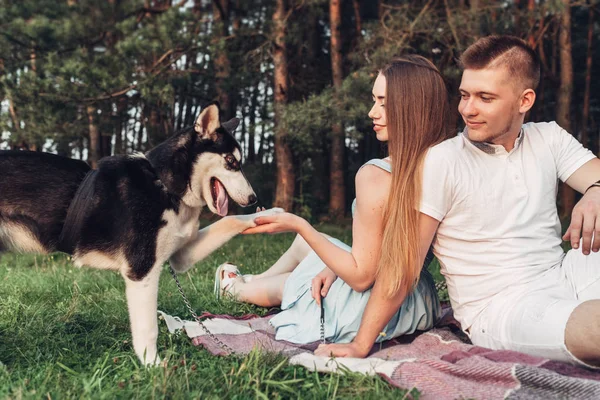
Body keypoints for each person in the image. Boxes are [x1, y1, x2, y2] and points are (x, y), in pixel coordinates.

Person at [316, 36, 600, 368]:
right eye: (465, 95)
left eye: (485, 97)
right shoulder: (443, 161)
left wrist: (594, 193)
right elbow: (404, 266)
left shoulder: (548, 137)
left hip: (564, 271)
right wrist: (361, 343)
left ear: (525, 100)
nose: (467, 108)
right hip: (502, 306)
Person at [214, 55, 453, 345]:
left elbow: (362, 277)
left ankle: (237, 289)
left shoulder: (375, 176)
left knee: (304, 281)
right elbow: (387, 253)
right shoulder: (443, 162)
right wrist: (331, 266)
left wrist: (298, 224)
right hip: (420, 303)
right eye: (373, 100)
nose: (371, 112)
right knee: (313, 258)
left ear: (411, 109)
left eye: (383, 103)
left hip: (374, 309)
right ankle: (255, 278)